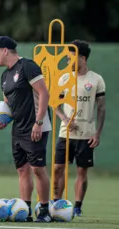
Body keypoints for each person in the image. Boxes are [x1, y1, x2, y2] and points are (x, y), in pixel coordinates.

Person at [0, 36, 52, 222]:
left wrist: (38, 123)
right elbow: (8, 106)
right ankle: (25, 211)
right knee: (22, 170)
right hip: (18, 128)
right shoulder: (5, 76)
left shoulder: (27, 66)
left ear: (5, 50)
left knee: (38, 169)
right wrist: (0, 122)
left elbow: (43, 93)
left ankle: (45, 211)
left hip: (36, 126)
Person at [54, 40, 106, 216]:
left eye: (70, 58)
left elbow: (102, 108)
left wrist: (97, 133)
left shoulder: (96, 79)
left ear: (81, 57)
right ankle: (55, 203)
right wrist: (65, 118)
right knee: (57, 168)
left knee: (82, 171)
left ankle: (77, 207)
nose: (68, 62)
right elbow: (55, 105)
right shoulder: (64, 78)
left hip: (86, 135)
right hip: (65, 133)